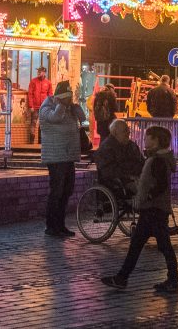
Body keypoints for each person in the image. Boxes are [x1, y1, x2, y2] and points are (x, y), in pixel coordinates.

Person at [100, 125, 178, 294]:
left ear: (156, 140)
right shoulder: (157, 158)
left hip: (154, 209)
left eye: (147, 137)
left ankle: (173, 279)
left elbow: (159, 185)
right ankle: (122, 278)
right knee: (138, 245)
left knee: (163, 245)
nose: (144, 140)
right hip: (151, 209)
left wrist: (147, 197)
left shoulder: (157, 160)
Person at [40, 80, 84, 238]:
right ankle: (51, 226)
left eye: (69, 97)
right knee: (57, 192)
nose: (68, 100)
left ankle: (61, 224)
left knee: (67, 191)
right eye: (65, 97)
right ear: (58, 97)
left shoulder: (68, 108)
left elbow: (83, 118)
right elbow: (55, 118)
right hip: (55, 157)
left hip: (68, 156)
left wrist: (76, 108)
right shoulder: (47, 108)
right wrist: (61, 105)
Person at [93, 119, 144, 197]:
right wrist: (130, 176)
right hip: (120, 181)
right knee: (144, 191)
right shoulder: (107, 148)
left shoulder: (132, 146)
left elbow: (141, 162)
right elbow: (109, 171)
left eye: (128, 130)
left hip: (135, 178)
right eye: (125, 130)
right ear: (115, 133)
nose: (128, 132)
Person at [26, 66, 52, 142]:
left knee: (42, 124)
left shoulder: (48, 83)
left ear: (44, 73)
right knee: (33, 123)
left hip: (44, 107)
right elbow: (30, 94)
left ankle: (40, 142)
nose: (38, 73)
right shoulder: (33, 81)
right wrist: (31, 106)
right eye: (38, 71)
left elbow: (50, 95)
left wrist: (49, 106)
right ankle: (31, 142)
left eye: (40, 71)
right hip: (35, 107)